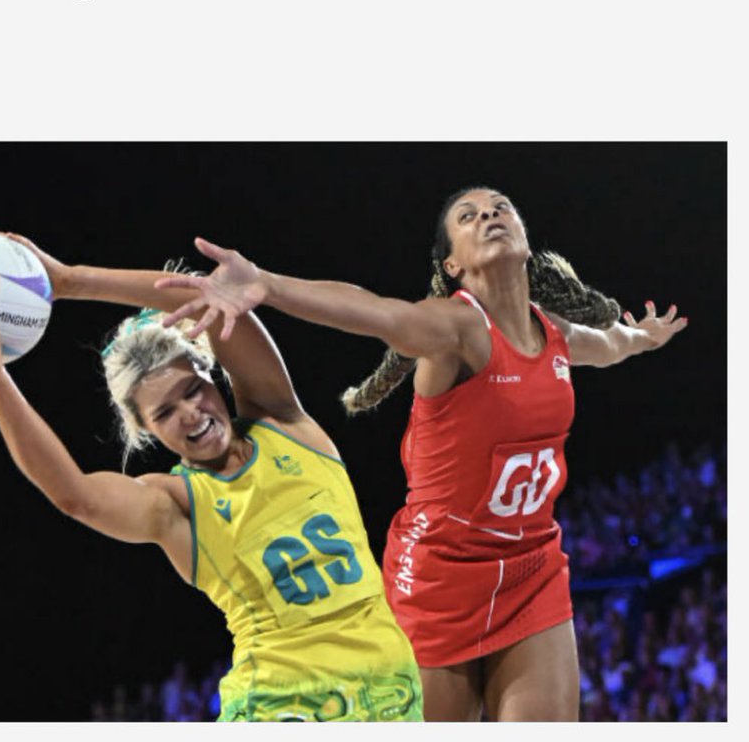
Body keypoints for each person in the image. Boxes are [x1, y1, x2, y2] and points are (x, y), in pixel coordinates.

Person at [156, 187, 688, 721]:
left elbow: (613, 344)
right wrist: (268, 285)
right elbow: (374, 312)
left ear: (526, 241)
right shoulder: (455, 329)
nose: (489, 216)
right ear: (452, 263)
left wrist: (643, 336)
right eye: (469, 215)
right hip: (440, 578)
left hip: (531, 568)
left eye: (500, 208)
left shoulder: (556, 335)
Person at [0, 239, 422, 723]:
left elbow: (213, 298)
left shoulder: (285, 424)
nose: (191, 413)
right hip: (279, 707)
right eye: (165, 411)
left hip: (392, 694)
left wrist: (70, 281)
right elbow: (73, 494)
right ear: (147, 430)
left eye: (193, 390)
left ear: (212, 375)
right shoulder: (175, 504)